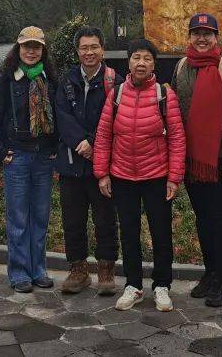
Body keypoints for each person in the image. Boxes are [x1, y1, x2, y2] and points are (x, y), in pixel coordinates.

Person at [94, 38, 185, 313]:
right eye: (136, 58)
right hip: (122, 175)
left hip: (156, 175)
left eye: (146, 58)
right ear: (129, 62)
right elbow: (103, 134)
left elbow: (178, 138)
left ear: (153, 63)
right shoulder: (117, 93)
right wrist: (102, 173)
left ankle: (162, 285)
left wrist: (174, 177)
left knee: (161, 232)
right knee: (129, 233)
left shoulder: (164, 95)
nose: (141, 63)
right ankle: (133, 285)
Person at [168, 12, 222, 308]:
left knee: (219, 218)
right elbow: (173, 111)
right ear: (189, 36)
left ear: (217, 37)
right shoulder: (181, 67)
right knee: (201, 218)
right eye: (196, 32)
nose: (202, 38)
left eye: (207, 33)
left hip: (218, 159)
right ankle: (209, 272)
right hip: (190, 159)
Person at [0, 26, 59, 293]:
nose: (31, 51)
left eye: (36, 47)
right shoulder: (6, 79)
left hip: (42, 156)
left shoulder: (50, 79)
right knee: (18, 217)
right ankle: (19, 272)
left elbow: (58, 117)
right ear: (18, 49)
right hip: (16, 155)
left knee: (40, 216)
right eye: (26, 46)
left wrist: (55, 147)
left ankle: (38, 269)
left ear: (43, 50)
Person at [54, 25, 123, 296]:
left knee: (105, 219)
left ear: (102, 49)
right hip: (72, 162)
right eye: (84, 47)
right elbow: (62, 115)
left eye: (94, 47)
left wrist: (93, 143)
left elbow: (116, 118)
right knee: (73, 220)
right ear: (77, 51)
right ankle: (78, 270)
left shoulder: (114, 81)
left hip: (102, 163)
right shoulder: (67, 80)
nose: (89, 52)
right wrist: (80, 142)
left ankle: (106, 270)